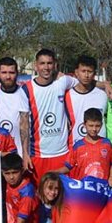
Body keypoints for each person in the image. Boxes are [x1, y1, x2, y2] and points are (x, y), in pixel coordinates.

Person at [23, 49, 80, 180]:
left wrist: (105, 85)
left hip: (62, 152)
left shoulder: (63, 81)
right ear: (35, 65)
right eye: (42, 63)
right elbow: (24, 124)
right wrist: (25, 154)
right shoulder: (26, 89)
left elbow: (83, 84)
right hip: (38, 154)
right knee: (40, 195)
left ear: (55, 65)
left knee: (60, 196)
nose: (46, 67)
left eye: (49, 63)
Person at [60, 108, 112, 183]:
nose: (94, 129)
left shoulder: (107, 143)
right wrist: (54, 172)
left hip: (102, 188)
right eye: (91, 125)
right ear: (84, 125)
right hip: (84, 189)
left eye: (97, 126)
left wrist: (111, 178)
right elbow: (68, 167)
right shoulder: (78, 146)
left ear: (102, 124)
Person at [0, 57, 30, 158]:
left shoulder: (24, 92)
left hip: (16, 155)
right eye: (4, 72)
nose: (8, 76)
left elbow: (24, 126)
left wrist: (25, 154)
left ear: (17, 73)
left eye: (11, 72)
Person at [66, 55, 109, 145]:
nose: (86, 75)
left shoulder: (103, 95)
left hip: (99, 149)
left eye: (89, 71)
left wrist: (106, 85)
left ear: (94, 73)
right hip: (74, 148)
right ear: (76, 72)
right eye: (83, 71)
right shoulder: (67, 95)